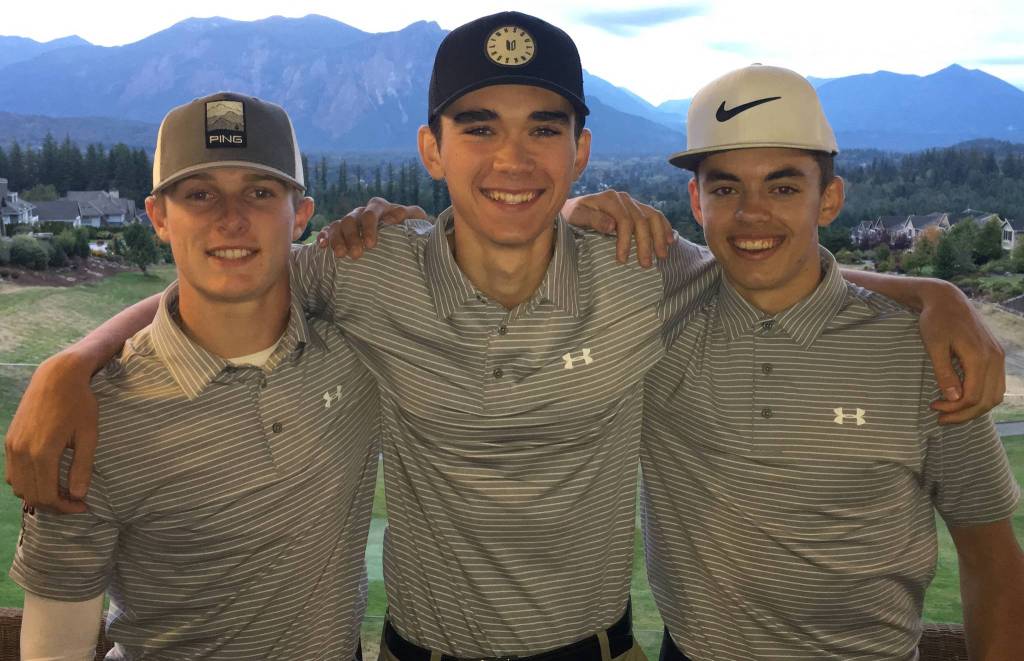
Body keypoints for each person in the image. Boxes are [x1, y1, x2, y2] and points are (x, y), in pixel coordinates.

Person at [4, 12, 1006, 661]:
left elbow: (772, 263)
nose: (512, 157)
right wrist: (74, 360)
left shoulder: (642, 272)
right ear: (431, 147)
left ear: (580, 149)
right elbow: (227, 277)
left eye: (542, 128)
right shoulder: (364, 268)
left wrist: (926, 292)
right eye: (479, 127)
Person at [640, 65, 1024, 661]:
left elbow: (992, 560)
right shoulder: (659, 309)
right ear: (696, 200)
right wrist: (933, 289)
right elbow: (566, 224)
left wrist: (937, 295)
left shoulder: (923, 353)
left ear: (831, 199)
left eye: (785, 187)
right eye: (725, 188)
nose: (752, 213)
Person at [9, 92, 380, 659]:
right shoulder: (90, 422)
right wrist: (71, 366)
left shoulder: (356, 347)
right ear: (158, 217)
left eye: (259, 192)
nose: (231, 219)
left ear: (301, 216)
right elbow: (53, 649)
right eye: (200, 194)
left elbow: (503, 241)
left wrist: (571, 216)